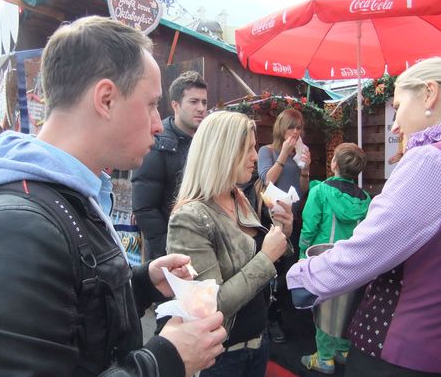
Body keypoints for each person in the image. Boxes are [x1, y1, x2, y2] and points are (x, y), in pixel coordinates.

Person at [0, 16, 226, 377]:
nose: (158, 123)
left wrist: (137, 284)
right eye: (152, 104)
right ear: (106, 99)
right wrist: (163, 361)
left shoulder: (66, 196)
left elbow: (66, 319)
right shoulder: (17, 228)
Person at [287, 57, 441, 376]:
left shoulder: (432, 160)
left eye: (397, 106)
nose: (395, 125)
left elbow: (369, 248)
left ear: (429, 94)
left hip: (403, 353)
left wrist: (301, 277)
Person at [167, 110, 292, 377]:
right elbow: (211, 307)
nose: (255, 156)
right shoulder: (190, 218)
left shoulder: (237, 197)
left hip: (257, 344)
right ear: (221, 152)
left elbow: (255, 255)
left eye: (254, 147)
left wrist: (283, 229)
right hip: (221, 358)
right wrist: (266, 258)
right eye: (247, 149)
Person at [298, 142, 371, 375]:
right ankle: (343, 350)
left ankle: (325, 358)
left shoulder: (319, 191)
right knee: (348, 306)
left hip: (325, 259)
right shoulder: (366, 199)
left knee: (324, 308)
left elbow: (309, 227)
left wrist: (302, 256)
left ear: (334, 164)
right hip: (354, 262)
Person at [132, 71, 208, 261]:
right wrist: (170, 249)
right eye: (194, 101)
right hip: (168, 256)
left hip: (202, 246)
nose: (201, 108)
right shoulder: (158, 143)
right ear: (176, 105)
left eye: (204, 102)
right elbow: (144, 208)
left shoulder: (206, 142)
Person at [257, 108, 311, 342]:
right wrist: (283, 155)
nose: (296, 132)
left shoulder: (299, 152)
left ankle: (282, 315)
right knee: (272, 270)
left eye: (299, 127)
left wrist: (305, 170)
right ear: (281, 127)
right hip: (270, 220)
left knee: (289, 269)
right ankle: (270, 316)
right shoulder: (266, 151)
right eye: (291, 126)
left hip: (293, 219)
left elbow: (303, 190)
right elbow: (265, 179)